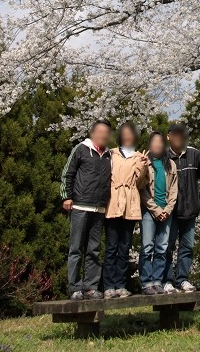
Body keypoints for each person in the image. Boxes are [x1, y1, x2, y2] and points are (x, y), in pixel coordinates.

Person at [60, 119, 112, 300]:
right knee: (76, 248)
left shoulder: (108, 155)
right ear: (93, 132)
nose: (104, 135)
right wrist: (66, 196)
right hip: (80, 205)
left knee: (94, 250)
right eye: (101, 131)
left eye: (107, 132)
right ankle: (75, 287)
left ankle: (90, 287)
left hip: (98, 209)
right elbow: (68, 173)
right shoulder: (81, 149)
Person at [103, 121, 148, 299]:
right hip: (113, 203)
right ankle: (108, 286)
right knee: (111, 246)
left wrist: (144, 166)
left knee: (124, 247)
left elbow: (140, 184)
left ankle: (121, 284)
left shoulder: (139, 156)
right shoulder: (111, 154)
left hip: (130, 203)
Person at [163, 123, 200, 293]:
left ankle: (183, 279)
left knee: (187, 246)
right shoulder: (163, 156)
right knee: (167, 247)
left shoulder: (194, 154)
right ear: (168, 136)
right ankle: (167, 281)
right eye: (175, 134)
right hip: (171, 211)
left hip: (190, 209)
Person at [139, 131, 178, 295]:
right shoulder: (145, 162)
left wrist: (167, 210)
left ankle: (157, 281)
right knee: (147, 247)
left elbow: (174, 190)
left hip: (166, 212)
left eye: (160, 142)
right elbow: (141, 188)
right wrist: (155, 210)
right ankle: (146, 283)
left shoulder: (170, 164)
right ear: (150, 144)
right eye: (154, 142)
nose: (158, 145)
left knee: (162, 248)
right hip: (149, 212)